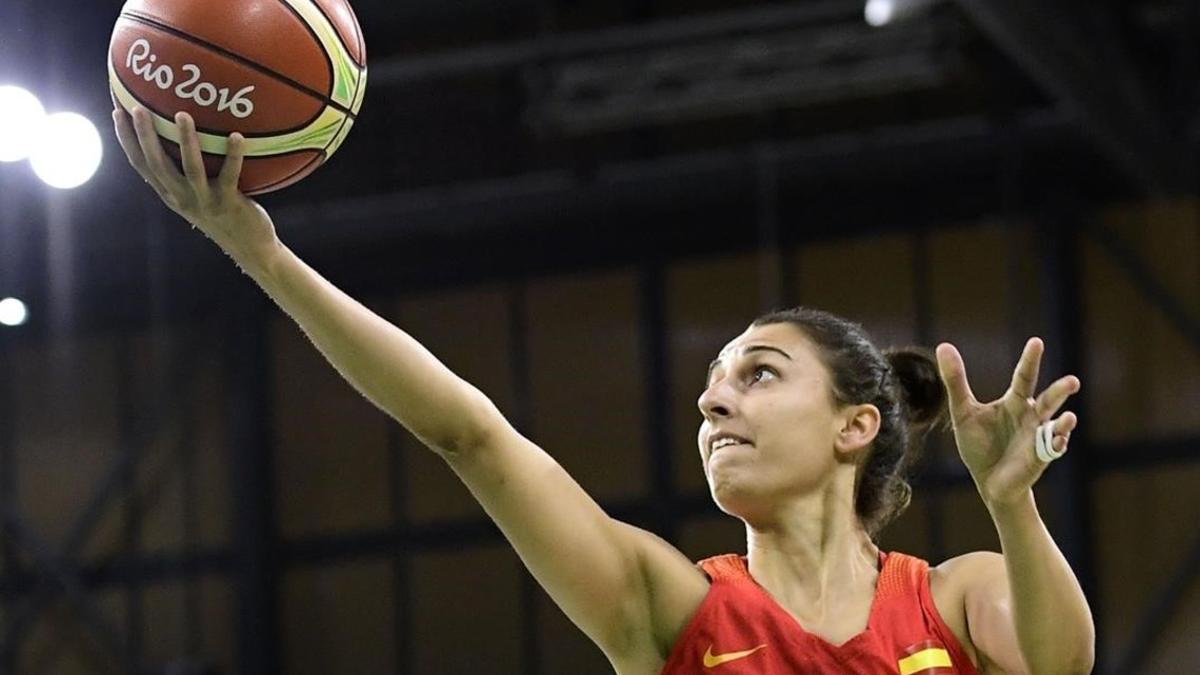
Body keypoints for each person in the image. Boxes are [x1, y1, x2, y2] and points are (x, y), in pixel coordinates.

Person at [113, 107, 1096, 674]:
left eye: (758, 373)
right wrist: (267, 259)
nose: (713, 404)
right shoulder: (673, 607)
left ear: (856, 425)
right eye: (712, 384)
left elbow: (1061, 666)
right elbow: (472, 436)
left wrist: (1012, 507)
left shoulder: (952, 597)